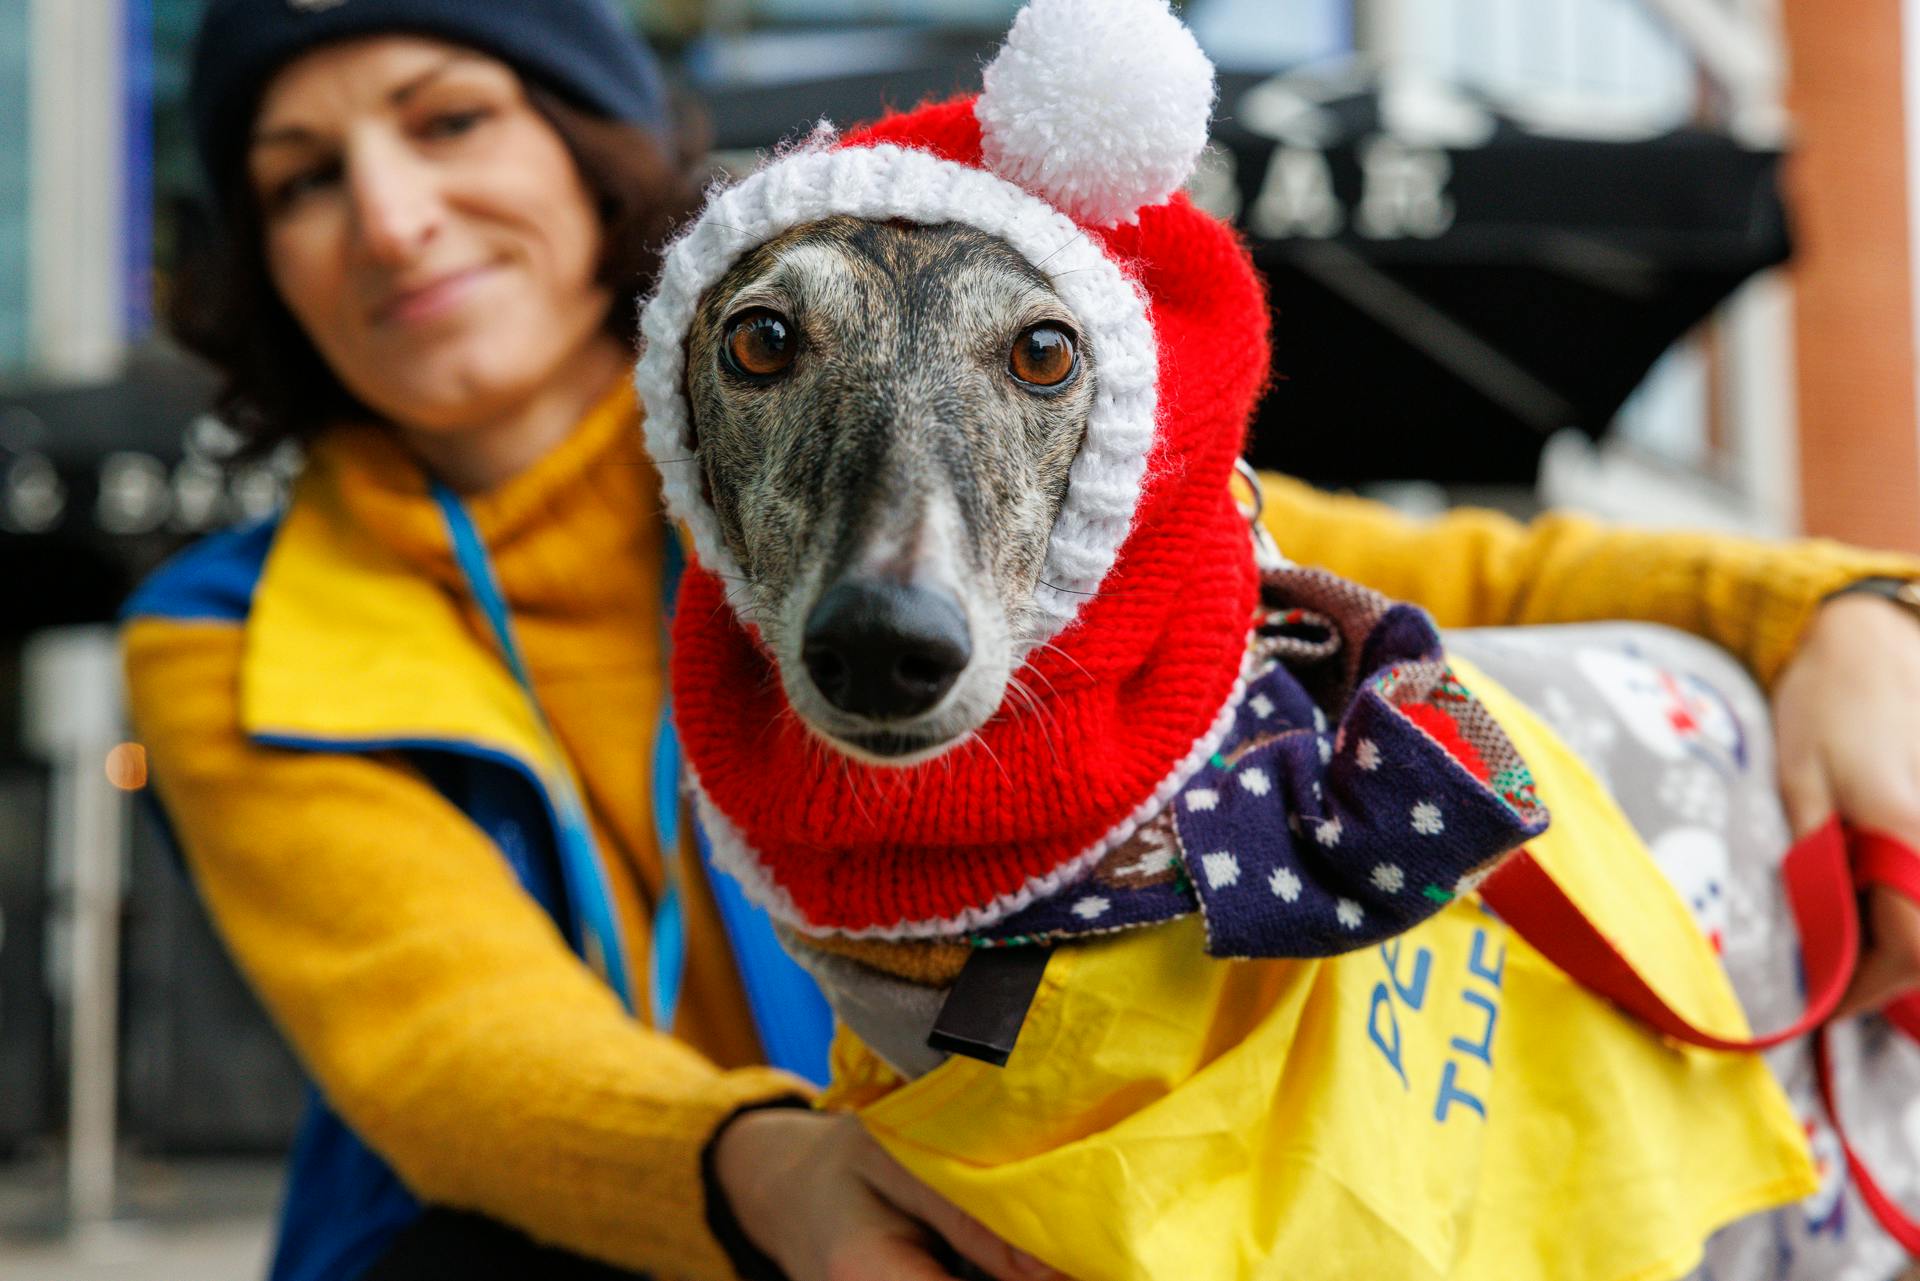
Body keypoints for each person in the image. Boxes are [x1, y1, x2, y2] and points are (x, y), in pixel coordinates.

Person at [122, 1, 1920, 1278]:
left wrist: (1833, 611)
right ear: (257, 256)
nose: (390, 214)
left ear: (582, 144)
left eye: (447, 119)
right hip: (592, 1233)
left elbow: (1425, 564)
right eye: (297, 177)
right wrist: (772, 1177)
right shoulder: (233, 633)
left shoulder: (918, 442)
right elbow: (449, 1041)